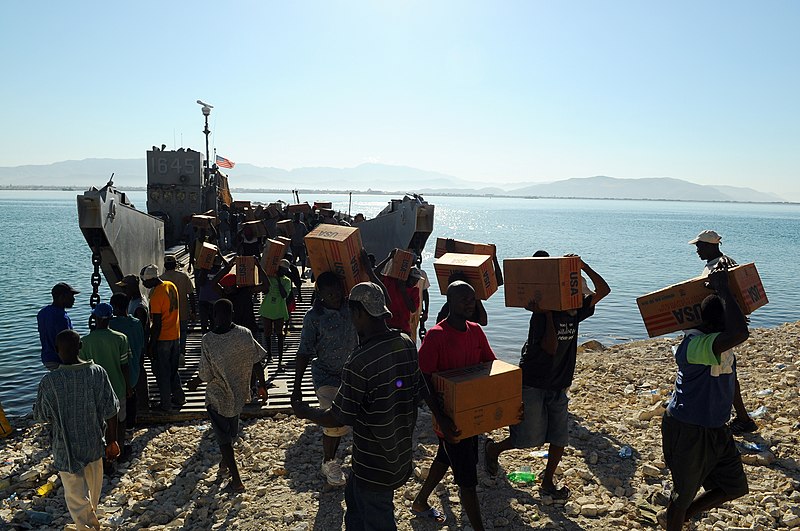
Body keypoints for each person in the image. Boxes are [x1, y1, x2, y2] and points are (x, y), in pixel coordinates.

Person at [292, 282, 427, 530]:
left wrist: (306, 412)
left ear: (359, 314)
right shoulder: (406, 343)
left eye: (352, 312)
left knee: (378, 516)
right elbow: (420, 391)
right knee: (354, 501)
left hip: (374, 464)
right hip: (398, 455)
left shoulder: (359, 362)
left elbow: (338, 418)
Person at [485, 251, 609, 500]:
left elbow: (604, 290)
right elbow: (551, 347)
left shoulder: (576, 310)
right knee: (527, 438)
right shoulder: (541, 316)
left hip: (560, 382)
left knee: (559, 436)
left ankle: (548, 483)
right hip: (533, 381)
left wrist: (583, 266)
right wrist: (548, 313)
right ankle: (493, 449)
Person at [660, 268, 750, 530]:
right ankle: (677, 516)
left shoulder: (719, 344)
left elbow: (732, 381)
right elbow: (739, 333)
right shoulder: (694, 346)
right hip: (688, 428)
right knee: (682, 493)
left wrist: (742, 417)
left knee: (734, 487)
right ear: (713, 326)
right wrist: (723, 290)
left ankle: (684, 515)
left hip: (716, 428)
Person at [412, 281, 497, 529]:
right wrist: (442, 420)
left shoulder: (475, 331)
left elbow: (491, 368)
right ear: (450, 302)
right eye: (464, 299)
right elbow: (422, 379)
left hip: (472, 416)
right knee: (468, 481)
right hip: (449, 420)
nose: (470, 303)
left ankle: (420, 502)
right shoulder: (437, 335)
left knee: (444, 458)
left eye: (473, 299)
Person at [33, 329, 119, 530]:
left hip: (65, 449)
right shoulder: (97, 372)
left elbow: (41, 416)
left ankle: (85, 526)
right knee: (93, 492)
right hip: (94, 443)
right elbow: (111, 410)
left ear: (56, 350)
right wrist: (113, 440)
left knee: (75, 496)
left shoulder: (50, 382)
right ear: (81, 347)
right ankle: (90, 523)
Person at [188, 299, 268, 493]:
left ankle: (237, 481)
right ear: (233, 314)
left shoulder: (208, 340)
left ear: (214, 316)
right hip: (238, 393)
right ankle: (225, 464)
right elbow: (256, 360)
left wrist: (194, 383)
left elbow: (206, 373)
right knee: (229, 434)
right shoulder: (244, 334)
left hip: (218, 395)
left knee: (224, 439)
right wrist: (262, 386)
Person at [291, 272, 359, 487]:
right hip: (325, 374)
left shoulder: (352, 308)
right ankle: (329, 462)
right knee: (334, 422)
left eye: (338, 291)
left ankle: (359, 460)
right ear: (320, 293)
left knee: (356, 419)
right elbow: (304, 352)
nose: (335, 296)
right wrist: (296, 387)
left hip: (351, 373)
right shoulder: (314, 317)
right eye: (329, 293)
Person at [689, 229, 756, 435]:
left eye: (700, 246)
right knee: (728, 372)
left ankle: (732, 419)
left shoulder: (716, 268)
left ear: (711, 246)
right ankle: (742, 418)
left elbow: (719, 296)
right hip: (726, 327)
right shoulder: (728, 262)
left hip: (718, 330)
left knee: (720, 374)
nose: (697, 250)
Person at [79, 303, 132, 465]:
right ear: (111, 318)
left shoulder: (85, 342)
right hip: (118, 387)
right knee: (120, 422)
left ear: (94, 318)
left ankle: (104, 458)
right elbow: (124, 366)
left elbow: (83, 370)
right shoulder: (120, 338)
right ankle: (120, 450)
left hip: (95, 390)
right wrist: (128, 386)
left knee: (100, 425)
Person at [141, 263, 184, 413]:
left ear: (150, 279)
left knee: (162, 372)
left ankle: (165, 404)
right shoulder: (170, 285)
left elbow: (157, 325)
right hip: (175, 335)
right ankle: (179, 397)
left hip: (163, 339)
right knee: (173, 370)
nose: (143, 284)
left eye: (144, 280)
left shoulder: (156, 296)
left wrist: (151, 344)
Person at [109, 293, 144, 435]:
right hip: (135, 365)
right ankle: (131, 424)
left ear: (115, 307)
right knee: (131, 394)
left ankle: (120, 424)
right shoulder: (136, 323)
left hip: (120, 368)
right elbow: (142, 345)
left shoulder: (113, 324)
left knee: (121, 395)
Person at [115, 274, 150, 415]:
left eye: (125, 287)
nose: (123, 290)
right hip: (133, 345)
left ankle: (142, 405)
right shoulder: (133, 300)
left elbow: (139, 330)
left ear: (132, 287)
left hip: (136, 346)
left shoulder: (139, 307)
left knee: (138, 373)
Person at [161, 254, 196, 367]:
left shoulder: (161, 279)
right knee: (183, 333)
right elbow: (191, 294)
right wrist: (193, 310)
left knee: (171, 335)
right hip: (182, 312)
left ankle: (172, 354)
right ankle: (181, 353)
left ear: (165, 265)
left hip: (167, 314)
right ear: (176, 265)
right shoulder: (183, 276)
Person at [375, 250, 420, 336]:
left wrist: (403, 291)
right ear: (407, 277)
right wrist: (389, 258)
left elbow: (413, 309)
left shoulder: (414, 290)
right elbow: (376, 274)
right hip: (388, 325)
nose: (414, 283)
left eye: (416, 280)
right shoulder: (392, 282)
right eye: (413, 279)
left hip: (403, 328)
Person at [258, 259, 293, 372]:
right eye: (282, 269)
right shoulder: (269, 279)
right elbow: (265, 291)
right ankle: (269, 355)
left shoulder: (287, 281)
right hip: (268, 309)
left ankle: (280, 359)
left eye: (285, 270)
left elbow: (284, 295)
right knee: (267, 333)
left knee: (279, 334)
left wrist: (278, 280)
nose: (284, 272)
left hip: (279, 310)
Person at [37, 282, 80, 370]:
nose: (73, 299)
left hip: (46, 358)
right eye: (71, 296)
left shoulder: (42, 312)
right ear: (62, 297)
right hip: (60, 360)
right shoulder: (62, 317)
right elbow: (67, 343)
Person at [290, 213, 309, 277]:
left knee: (303, 260)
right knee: (293, 260)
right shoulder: (291, 224)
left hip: (301, 244)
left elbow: (305, 232)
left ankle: (303, 273)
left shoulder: (302, 225)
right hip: (294, 245)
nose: (297, 218)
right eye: (296, 216)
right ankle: (294, 274)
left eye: (298, 216)